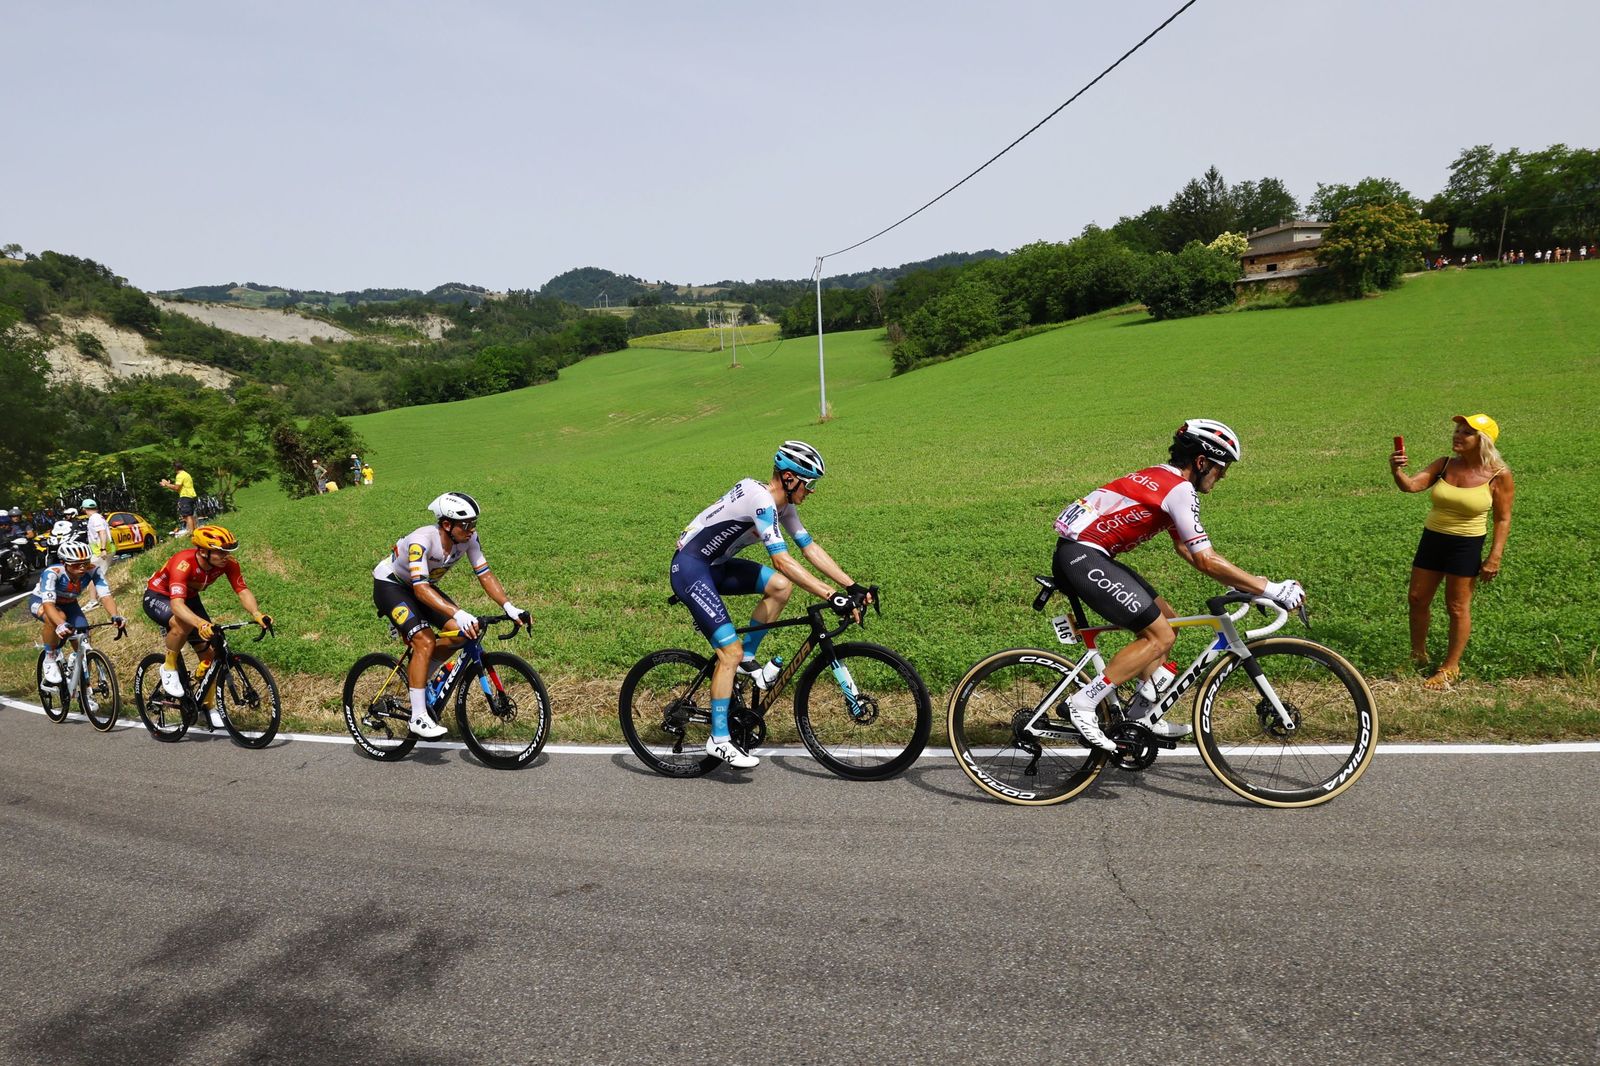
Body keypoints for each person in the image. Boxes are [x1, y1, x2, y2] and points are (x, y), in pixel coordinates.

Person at [1050, 419, 1307, 751]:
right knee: (1161, 635)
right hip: (1083, 558)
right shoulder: (1180, 489)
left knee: (1168, 621)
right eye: (1221, 466)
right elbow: (1205, 558)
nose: (1224, 475)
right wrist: (1269, 588)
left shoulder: (1162, 478)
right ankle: (1083, 703)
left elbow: (1187, 548)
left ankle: (1142, 717)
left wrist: (1242, 584)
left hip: (1083, 554)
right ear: (1201, 462)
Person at [670, 441, 869, 769]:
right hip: (690, 569)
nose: (812, 491)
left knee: (779, 588)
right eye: (810, 483)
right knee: (727, 653)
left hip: (713, 567)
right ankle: (718, 739)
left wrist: (850, 585)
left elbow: (809, 548)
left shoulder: (782, 506)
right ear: (790, 478)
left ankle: (749, 660)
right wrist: (830, 595)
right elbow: (781, 559)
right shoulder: (762, 502)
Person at [370, 493, 532, 739]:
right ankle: (418, 717)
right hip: (392, 586)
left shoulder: (469, 539)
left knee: (462, 633)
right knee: (424, 640)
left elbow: (485, 574)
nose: (471, 530)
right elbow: (421, 589)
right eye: (466, 524)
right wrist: (459, 611)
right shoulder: (421, 541)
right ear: (447, 524)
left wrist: (509, 607)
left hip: (421, 585)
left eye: (474, 523)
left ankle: (420, 676)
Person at [1390, 414, 1514, 689]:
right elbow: (1412, 486)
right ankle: (1418, 655)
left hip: (1466, 545)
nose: (1457, 435)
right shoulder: (1444, 464)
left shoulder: (1498, 475)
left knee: (1457, 607)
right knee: (1417, 598)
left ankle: (1450, 667)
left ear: (1482, 441)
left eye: (1466, 432)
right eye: (1457, 430)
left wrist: (1494, 556)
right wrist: (1397, 470)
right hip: (1433, 539)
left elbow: (1502, 518)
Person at [143, 525, 272, 718]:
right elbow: (177, 606)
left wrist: (256, 613)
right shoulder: (183, 562)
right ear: (203, 551)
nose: (225, 556)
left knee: (212, 655)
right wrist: (200, 623)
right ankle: (168, 667)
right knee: (183, 624)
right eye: (221, 552)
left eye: (227, 552)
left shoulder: (228, 564)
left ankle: (207, 706)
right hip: (160, 596)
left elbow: (242, 590)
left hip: (190, 598)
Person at [30, 540, 126, 685]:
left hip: (70, 604)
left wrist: (115, 615)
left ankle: (86, 691)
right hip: (43, 602)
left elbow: (105, 596)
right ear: (64, 563)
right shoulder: (52, 573)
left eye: (85, 563)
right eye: (76, 564)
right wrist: (61, 624)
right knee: (58, 618)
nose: (82, 568)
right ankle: (49, 659)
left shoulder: (93, 570)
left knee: (84, 642)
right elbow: (48, 604)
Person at [160, 459, 198, 537]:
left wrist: (166, 484)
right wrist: (168, 484)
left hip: (186, 496)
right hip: (192, 495)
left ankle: (191, 533)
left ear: (175, 468)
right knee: (190, 515)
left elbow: (176, 488)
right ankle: (194, 531)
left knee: (187, 516)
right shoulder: (186, 474)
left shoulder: (180, 475)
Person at [82, 498, 112, 578]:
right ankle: (98, 590)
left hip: (102, 552)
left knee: (93, 576)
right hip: (98, 551)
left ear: (84, 509)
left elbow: (102, 532)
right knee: (93, 576)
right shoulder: (97, 517)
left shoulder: (95, 518)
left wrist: (103, 549)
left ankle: (102, 590)